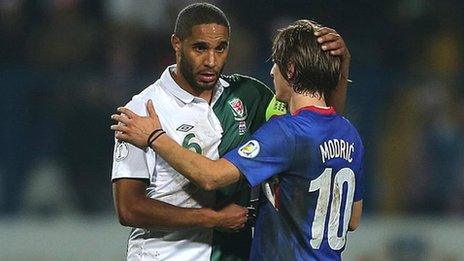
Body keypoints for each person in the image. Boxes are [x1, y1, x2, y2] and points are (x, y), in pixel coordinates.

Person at [111, 3, 352, 261]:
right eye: (200, 48)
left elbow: (317, 129)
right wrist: (210, 219)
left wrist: (342, 66)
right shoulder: (143, 109)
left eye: (221, 48)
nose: (212, 61)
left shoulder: (249, 96)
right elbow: (129, 209)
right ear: (177, 44)